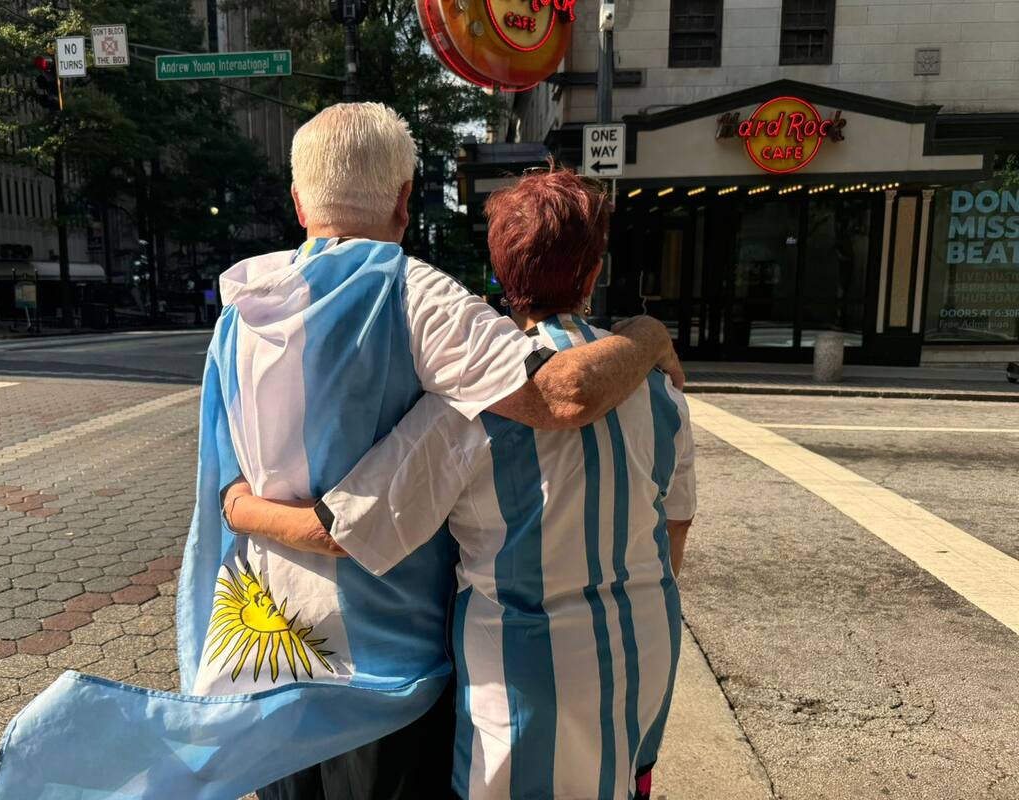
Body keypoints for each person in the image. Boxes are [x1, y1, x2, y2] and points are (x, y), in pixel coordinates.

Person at [226, 165, 697, 800]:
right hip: (645, 641)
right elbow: (675, 526)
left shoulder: (473, 402)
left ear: (501, 274)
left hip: (524, 668)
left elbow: (347, 528)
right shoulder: (660, 387)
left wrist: (236, 506)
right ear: (593, 273)